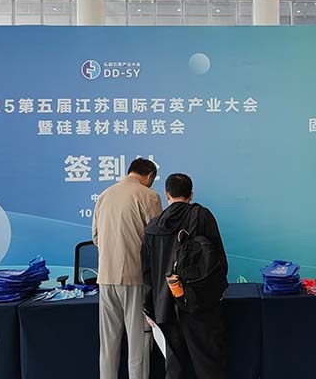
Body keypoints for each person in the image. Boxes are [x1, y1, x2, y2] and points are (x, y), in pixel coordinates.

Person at [142, 173, 228, 379]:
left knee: (175, 367)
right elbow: (218, 260)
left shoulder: (153, 226)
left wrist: (149, 307)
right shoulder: (202, 216)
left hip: (165, 306)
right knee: (208, 364)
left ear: (167, 194)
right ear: (191, 194)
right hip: (199, 303)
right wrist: (217, 292)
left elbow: (147, 273)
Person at [92, 158, 163, 379]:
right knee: (138, 340)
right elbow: (157, 239)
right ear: (149, 176)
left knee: (108, 342)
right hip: (135, 276)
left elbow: (95, 237)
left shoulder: (104, 195)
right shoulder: (149, 196)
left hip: (105, 276)